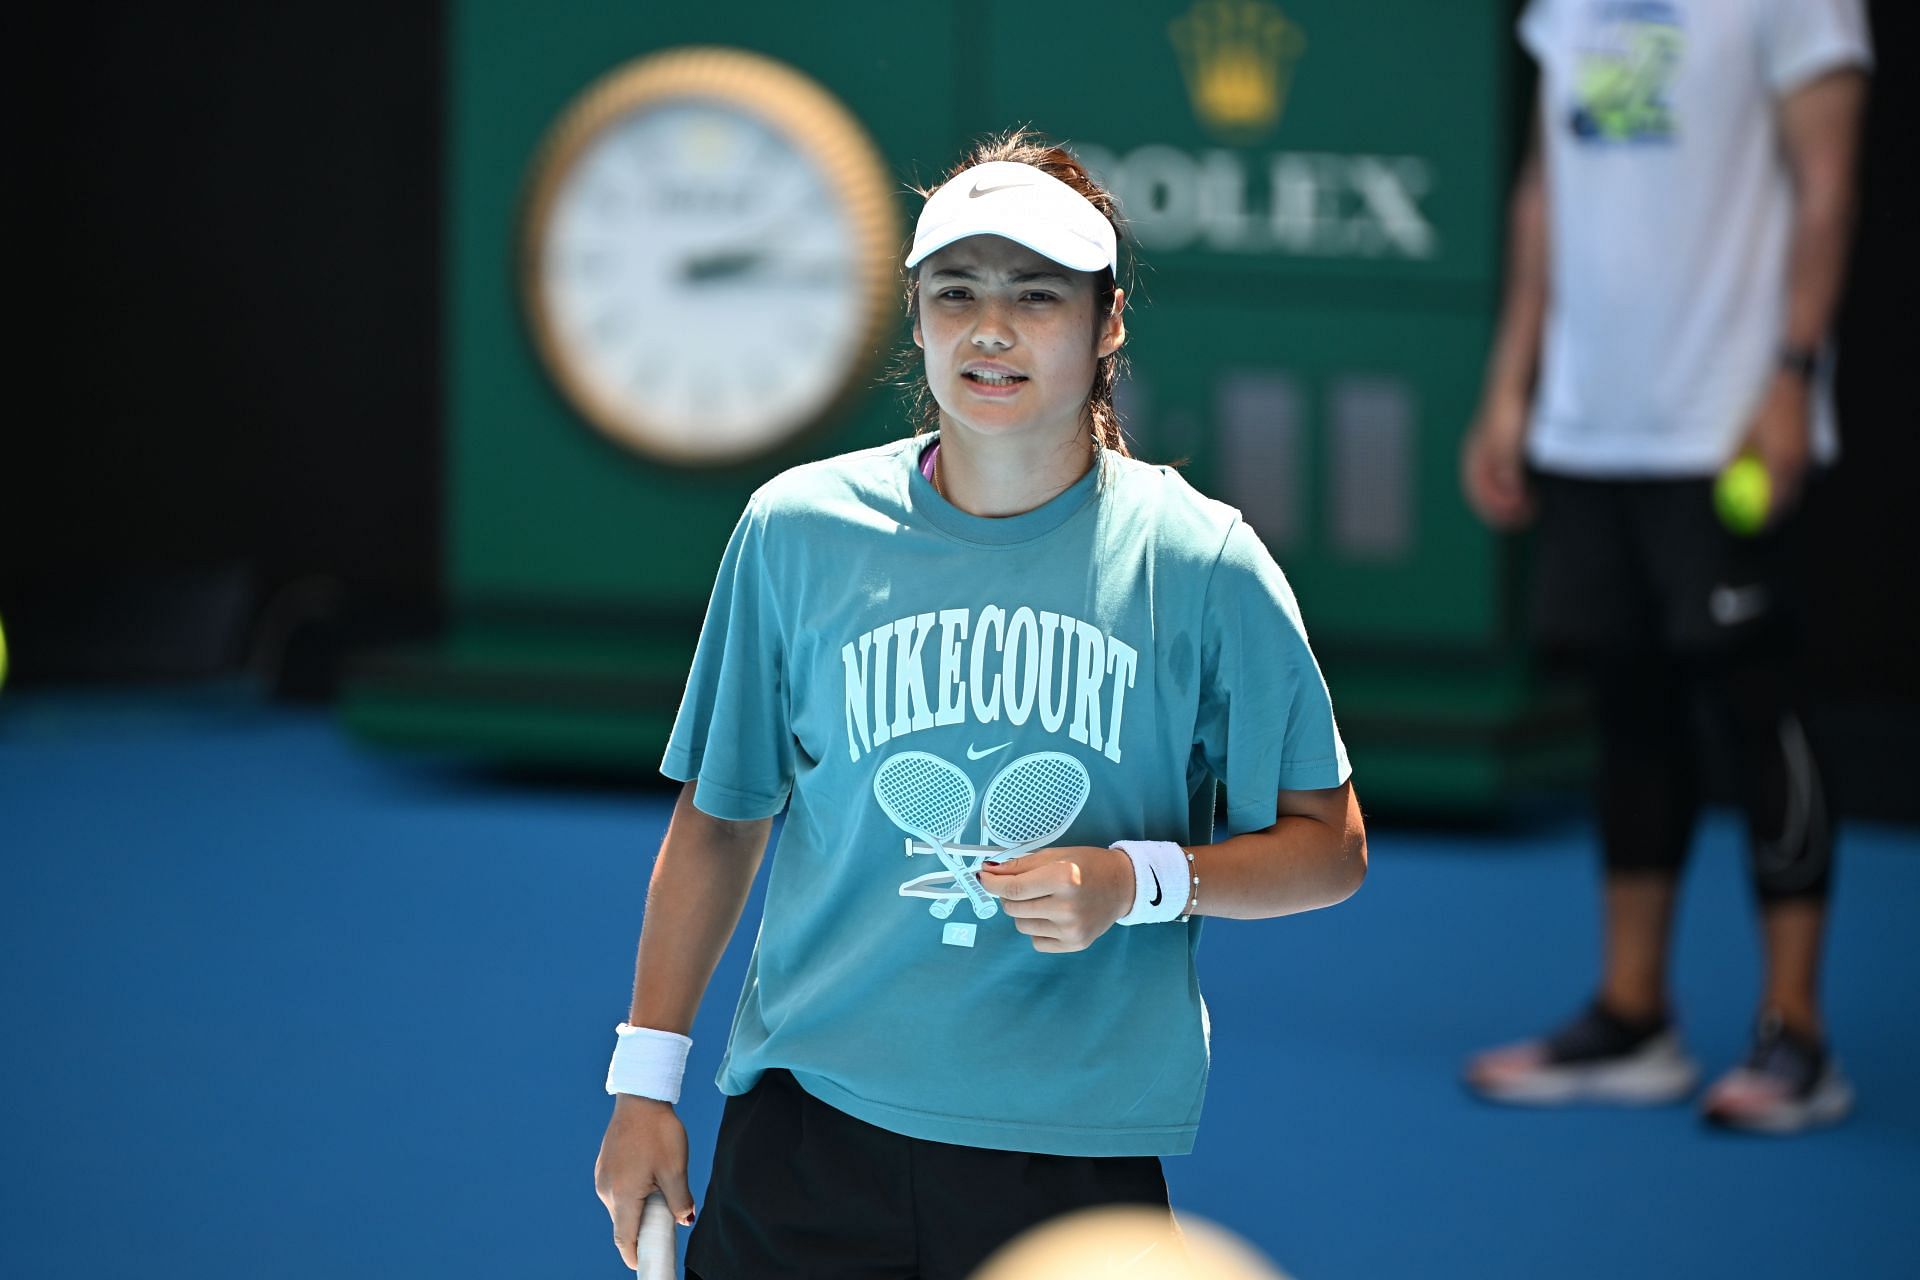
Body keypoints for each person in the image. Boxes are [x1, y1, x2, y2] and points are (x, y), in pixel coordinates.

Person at [593, 130, 1367, 1278]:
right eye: (956, 292)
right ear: (915, 315)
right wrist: (643, 1084)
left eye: (1037, 296)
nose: (991, 329)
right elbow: (719, 819)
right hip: (807, 1131)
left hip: (1066, 1163)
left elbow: (1330, 849)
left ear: (1108, 325)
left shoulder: (1203, 563)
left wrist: (1135, 880)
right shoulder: (794, 531)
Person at [1459, 0, 1871, 1132]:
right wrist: (1512, 384)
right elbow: (1546, 193)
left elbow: (1828, 180)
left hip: (1726, 420)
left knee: (1757, 705)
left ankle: (1800, 1034)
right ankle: (1633, 1016)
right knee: (1624, 706)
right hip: (1593, 422)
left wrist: (1791, 372)